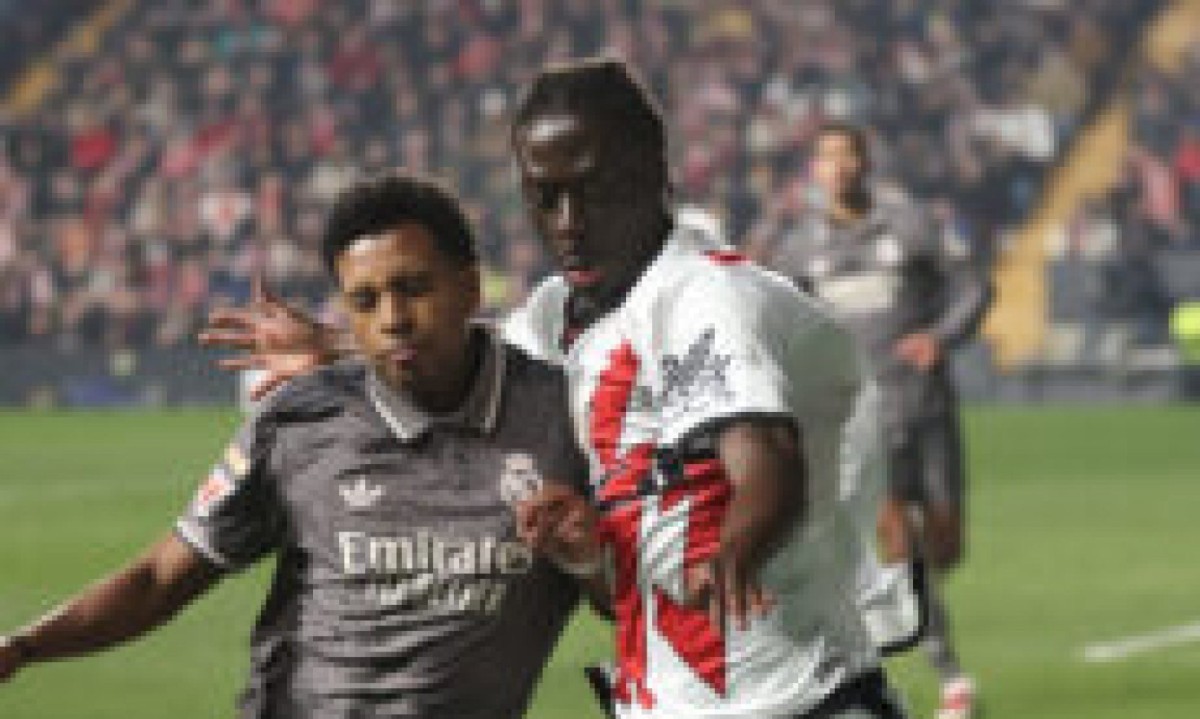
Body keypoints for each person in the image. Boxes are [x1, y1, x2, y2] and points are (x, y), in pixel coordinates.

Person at [198, 58, 907, 719]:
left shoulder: (703, 298)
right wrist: (335, 343)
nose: (567, 220)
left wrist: (733, 552)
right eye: (545, 195)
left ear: (651, 172)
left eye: (590, 188)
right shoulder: (559, 315)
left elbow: (766, 455)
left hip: (795, 698)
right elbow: (466, 349)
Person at [0, 173, 592, 719]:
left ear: (468, 286)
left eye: (414, 289)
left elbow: (635, 598)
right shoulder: (300, 423)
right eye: (364, 301)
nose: (392, 319)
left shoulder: (563, 420)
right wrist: (22, 648)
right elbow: (160, 578)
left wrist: (593, 559)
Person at [749, 122, 993, 719]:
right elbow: (774, 322)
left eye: (847, 154)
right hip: (854, 426)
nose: (838, 167)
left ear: (865, 161)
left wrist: (940, 336)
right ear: (815, 171)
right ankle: (951, 677)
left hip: (925, 407)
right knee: (897, 545)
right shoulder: (799, 248)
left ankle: (925, 609)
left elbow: (975, 287)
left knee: (944, 544)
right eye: (826, 157)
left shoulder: (909, 225)